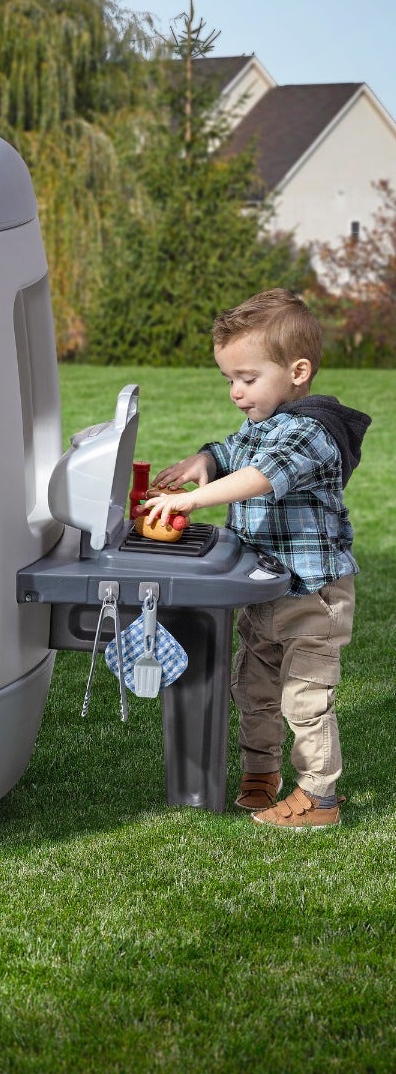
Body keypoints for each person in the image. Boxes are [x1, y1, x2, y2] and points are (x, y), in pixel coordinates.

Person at [144, 288, 370, 829]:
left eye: (247, 378)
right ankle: (261, 772)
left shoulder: (313, 432)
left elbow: (262, 475)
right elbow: (236, 451)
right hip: (265, 590)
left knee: (305, 698)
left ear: (297, 371)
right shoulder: (267, 422)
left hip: (312, 596)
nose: (236, 392)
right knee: (254, 688)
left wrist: (194, 500)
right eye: (229, 379)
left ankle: (319, 799)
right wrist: (204, 460)